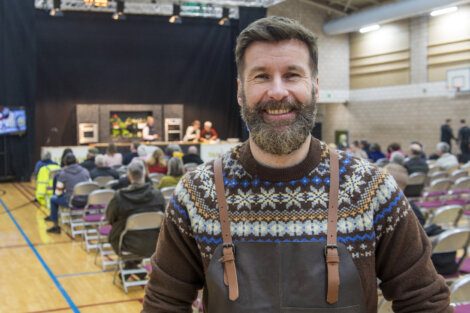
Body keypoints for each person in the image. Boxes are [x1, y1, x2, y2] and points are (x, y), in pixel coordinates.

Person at [142, 16, 451, 313]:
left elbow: (424, 301)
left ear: (314, 86)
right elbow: (163, 305)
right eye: (261, 76)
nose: (277, 91)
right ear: (239, 90)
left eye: (292, 75)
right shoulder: (196, 193)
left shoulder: (372, 190)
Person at [106, 160, 165, 270]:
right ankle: (133, 266)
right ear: (145, 174)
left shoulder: (120, 197)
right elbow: (164, 219)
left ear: (129, 176)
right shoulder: (158, 195)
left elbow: (110, 218)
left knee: (120, 231)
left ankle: (132, 266)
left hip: (126, 243)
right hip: (154, 243)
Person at [45, 153, 90, 234]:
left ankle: (56, 226)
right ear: (76, 161)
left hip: (73, 201)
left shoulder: (63, 174)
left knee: (53, 199)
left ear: (65, 163)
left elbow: (58, 193)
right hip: (86, 201)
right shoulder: (85, 171)